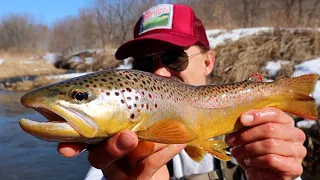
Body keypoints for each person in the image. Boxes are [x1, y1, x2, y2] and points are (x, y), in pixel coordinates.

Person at [57, 4, 307, 180]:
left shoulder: (253, 135)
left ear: (208, 62)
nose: (160, 73)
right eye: (143, 66)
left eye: (174, 58)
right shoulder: (113, 155)